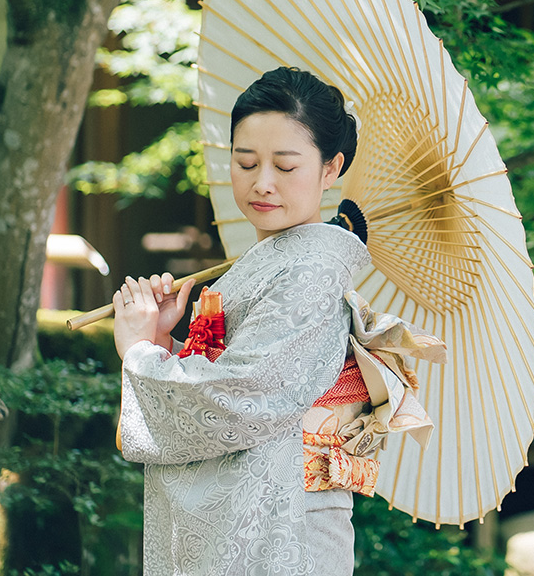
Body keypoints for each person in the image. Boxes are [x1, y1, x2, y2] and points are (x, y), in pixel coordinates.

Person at [113, 66, 366, 576]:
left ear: (331, 167)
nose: (262, 183)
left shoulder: (312, 269)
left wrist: (139, 353)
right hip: (265, 513)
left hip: (286, 523)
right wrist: (163, 339)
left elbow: (240, 395)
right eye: (245, 162)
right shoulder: (271, 261)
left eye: (286, 166)